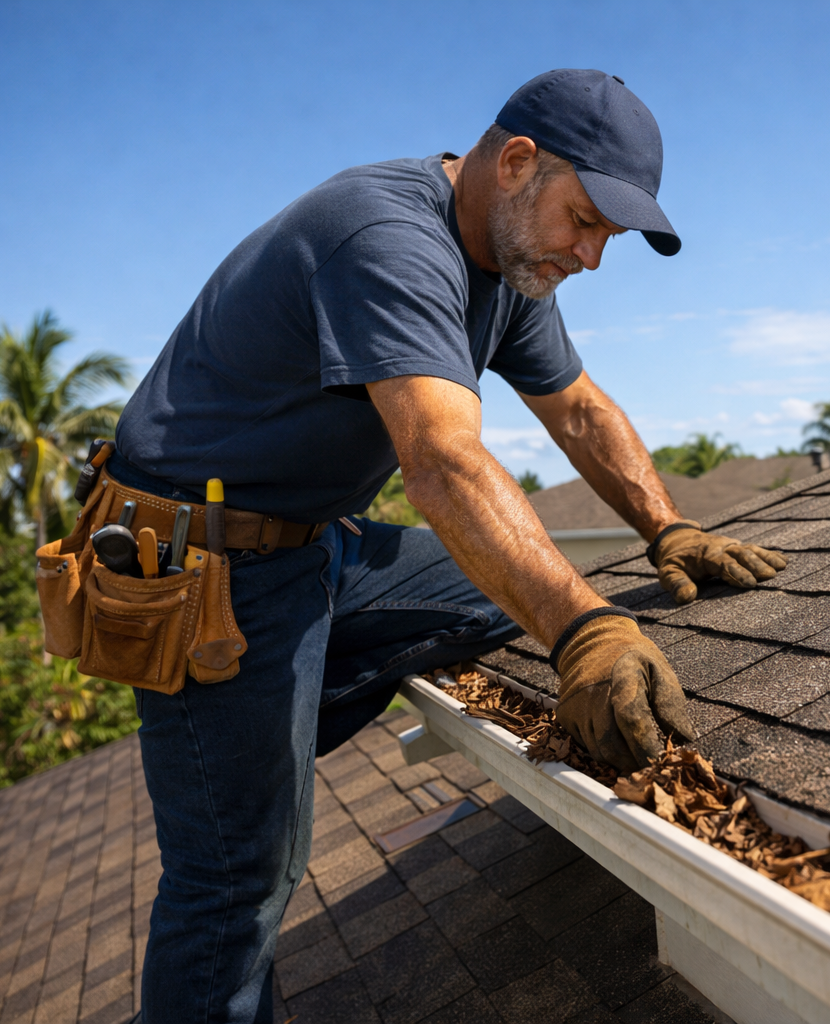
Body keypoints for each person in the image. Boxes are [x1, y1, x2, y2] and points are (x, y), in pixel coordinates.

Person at [102, 69, 787, 1022]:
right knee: (238, 877)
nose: (591, 257)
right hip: (201, 570)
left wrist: (667, 525)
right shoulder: (386, 236)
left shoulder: (513, 263)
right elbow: (441, 461)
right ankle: (241, 762)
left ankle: (266, 727)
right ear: (515, 163)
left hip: (316, 550)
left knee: (495, 596)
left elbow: (582, 411)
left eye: (608, 238)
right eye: (585, 221)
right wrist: (584, 634)